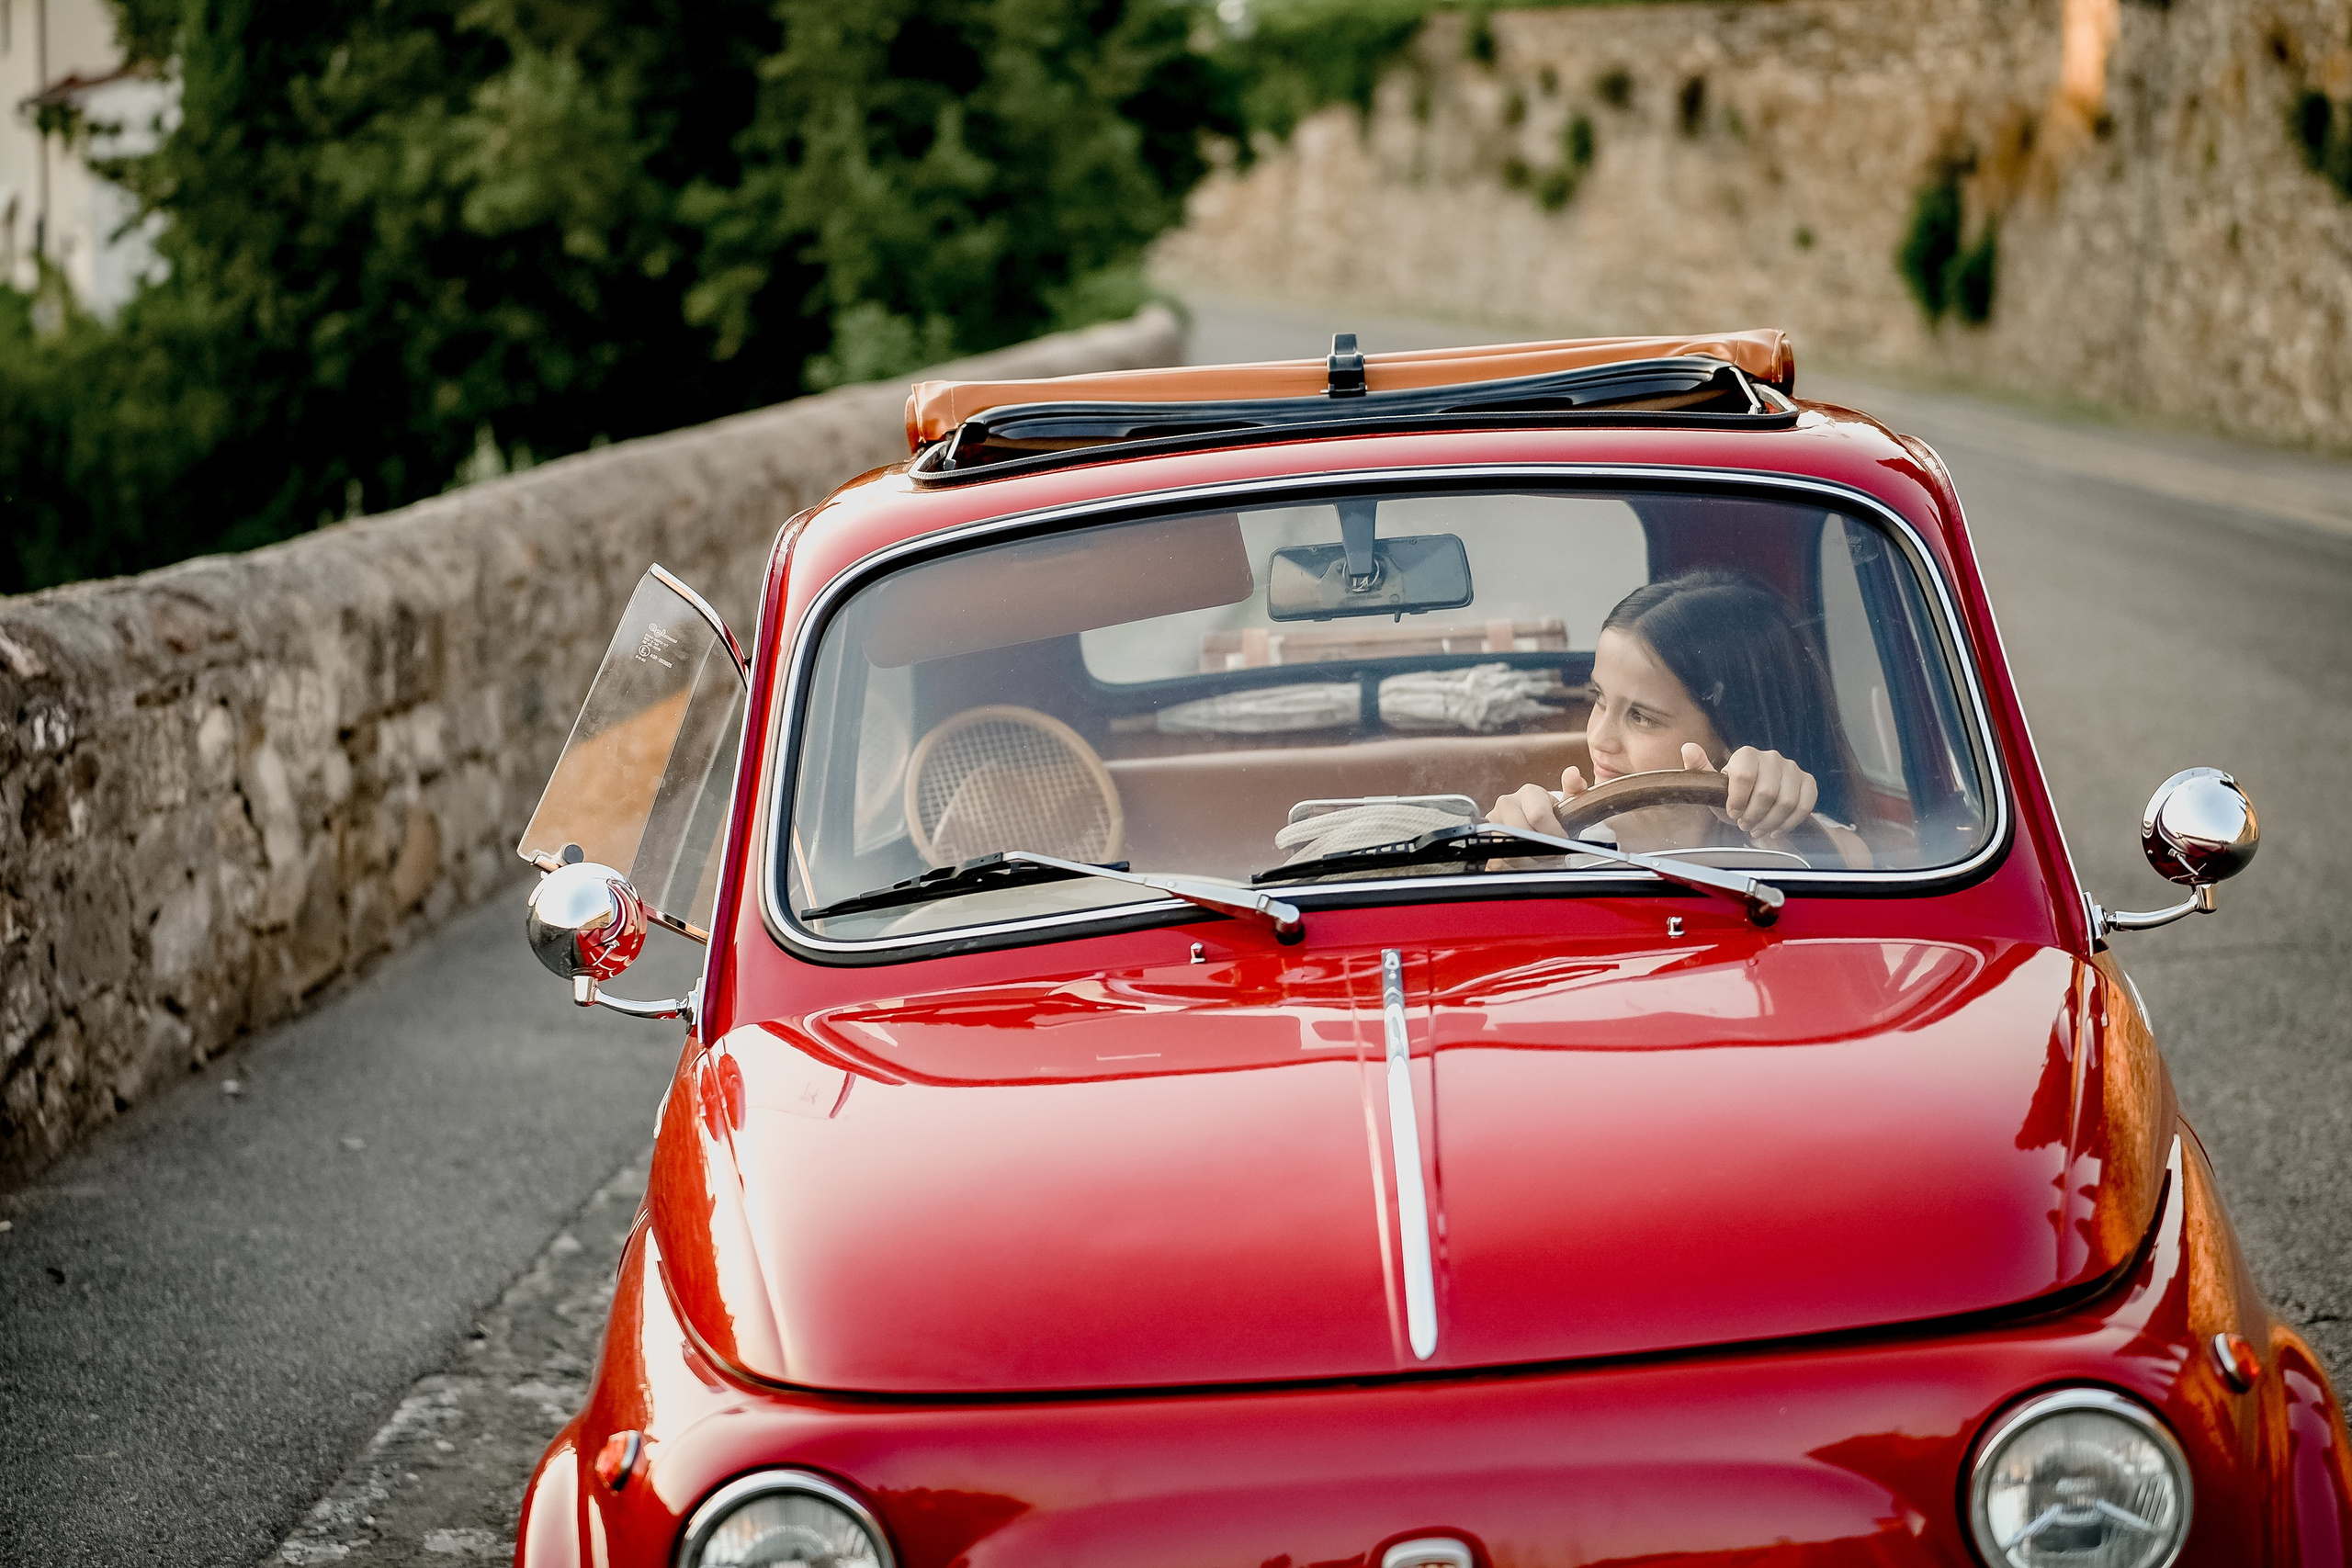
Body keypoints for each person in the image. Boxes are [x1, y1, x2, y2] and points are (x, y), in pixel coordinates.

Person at [1488, 569, 1870, 864]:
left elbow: (1858, 865)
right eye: (1599, 698)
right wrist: (1507, 852)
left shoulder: (1787, 841)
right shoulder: (1554, 834)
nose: (1600, 738)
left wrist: (1778, 826)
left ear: (1729, 735)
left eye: (1642, 717)